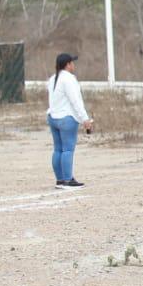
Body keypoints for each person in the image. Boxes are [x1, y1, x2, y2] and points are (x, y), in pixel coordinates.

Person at [46, 52, 93, 188]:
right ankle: (68, 180)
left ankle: (60, 179)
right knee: (68, 150)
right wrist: (85, 119)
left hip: (53, 117)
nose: (73, 65)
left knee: (58, 149)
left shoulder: (53, 78)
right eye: (72, 62)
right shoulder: (69, 79)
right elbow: (75, 101)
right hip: (66, 118)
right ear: (67, 64)